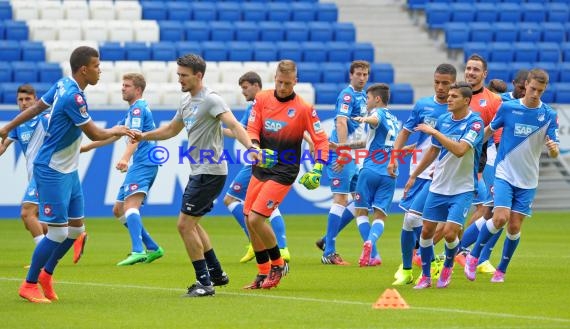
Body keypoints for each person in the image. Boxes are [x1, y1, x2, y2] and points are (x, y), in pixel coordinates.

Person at [0, 46, 132, 303]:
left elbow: (37, 107)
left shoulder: (62, 84)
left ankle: (46, 275)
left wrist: (7, 126)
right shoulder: (73, 97)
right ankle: (28, 284)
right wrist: (119, 130)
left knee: (76, 230)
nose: (100, 70)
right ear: (84, 69)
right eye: (96, 66)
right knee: (58, 233)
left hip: (68, 170)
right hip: (51, 170)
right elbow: (95, 134)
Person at [131, 54, 259, 297]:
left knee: (184, 225)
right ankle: (217, 273)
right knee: (193, 224)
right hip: (199, 172)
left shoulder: (211, 100)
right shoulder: (186, 101)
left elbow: (234, 124)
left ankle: (204, 283)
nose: (179, 79)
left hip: (211, 172)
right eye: (178, 74)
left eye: (184, 75)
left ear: (198, 75)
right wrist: (143, 136)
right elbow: (170, 129)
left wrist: (251, 148)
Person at [464, 69, 559, 283]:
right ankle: (473, 256)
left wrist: (553, 149)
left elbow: (554, 150)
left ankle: (502, 269)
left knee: (514, 226)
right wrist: (472, 145)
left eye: (540, 91)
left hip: (528, 179)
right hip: (504, 173)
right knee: (499, 218)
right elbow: (489, 129)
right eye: (533, 88)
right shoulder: (508, 108)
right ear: (526, 84)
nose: (535, 94)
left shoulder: (549, 115)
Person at [243, 59, 329, 289]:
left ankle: (278, 265)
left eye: (288, 84)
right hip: (261, 166)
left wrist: (319, 167)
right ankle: (262, 273)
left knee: (256, 218)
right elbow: (252, 128)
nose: (283, 87)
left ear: (296, 82)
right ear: (274, 79)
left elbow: (321, 140)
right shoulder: (262, 99)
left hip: (284, 169)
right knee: (248, 220)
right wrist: (255, 148)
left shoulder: (303, 108)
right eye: (280, 82)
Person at [405, 82, 484, 289]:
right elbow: (433, 151)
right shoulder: (443, 120)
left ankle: (448, 265)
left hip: (462, 188)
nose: (448, 99)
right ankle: (425, 277)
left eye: (454, 96)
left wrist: (435, 133)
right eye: (449, 95)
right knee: (426, 233)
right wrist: (414, 175)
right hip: (438, 186)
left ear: (466, 101)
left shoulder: (475, 123)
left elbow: (460, 150)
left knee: (450, 233)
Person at [81, 73, 164, 266]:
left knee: (130, 207)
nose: (122, 88)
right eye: (122, 85)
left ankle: (137, 250)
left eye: (126, 85)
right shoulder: (132, 111)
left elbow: (134, 136)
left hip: (144, 162)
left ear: (137, 90)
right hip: (141, 163)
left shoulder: (138, 110)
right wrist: (86, 147)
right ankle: (153, 247)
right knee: (118, 209)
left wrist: (125, 158)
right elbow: (115, 134)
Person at [0, 85, 88, 264]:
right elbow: (3, 146)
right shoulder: (18, 125)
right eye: (20, 100)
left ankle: (41, 260)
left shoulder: (46, 118)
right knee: (36, 222)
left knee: (27, 213)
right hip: (34, 176)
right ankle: (75, 234)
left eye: (28, 100)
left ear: (35, 100)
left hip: (47, 172)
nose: (24, 103)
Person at [458, 68, 531, 272]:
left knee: (493, 212)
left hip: (510, 166)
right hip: (494, 161)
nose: (524, 92)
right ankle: (471, 254)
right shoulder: (503, 102)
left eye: (528, 89)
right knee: (493, 211)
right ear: (515, 84)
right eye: (521, 87)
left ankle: (472, 254)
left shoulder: (530, 106)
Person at [389, 64, 457, 285]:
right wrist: (393, 157)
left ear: (453, 83)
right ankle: (410, 268)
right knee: (409, 223)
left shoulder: (456, 111)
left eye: (445, 83)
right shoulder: (423, 105)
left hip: (441, 175)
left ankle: (426, 265)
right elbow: (405, 132)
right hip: (418, 171)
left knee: (416, 219)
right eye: (437, 82)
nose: (440, 87)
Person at [222, 71, 291, 264]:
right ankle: (278, 246)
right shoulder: (260, 105)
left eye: (245, 88)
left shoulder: (261, 104)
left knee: (232, 199)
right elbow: (238, 131)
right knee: (262, 201)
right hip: (267, 159)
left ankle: (263, 243)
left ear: (256, 85)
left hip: (263, 160)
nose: (243, 92)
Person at [332, 84, 400, 267]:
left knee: (361, 212)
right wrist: (341, 146)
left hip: (370, 171)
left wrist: (364, 118)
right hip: (390, 173)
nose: (366, 102)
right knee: (380, 216)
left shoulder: (377, 114)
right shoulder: (395, 120)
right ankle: (371, 242)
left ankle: (369, 246)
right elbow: (364, 142)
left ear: (377, 99)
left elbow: (375, 119)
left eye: (368, 98)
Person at [455, 54, 503, 274]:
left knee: (488, 208)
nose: (471, 72)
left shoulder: (493, 101)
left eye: (476, 69)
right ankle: (450, 251)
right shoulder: (455, 95)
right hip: (451, 164)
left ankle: (461, 250)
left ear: (484, 74)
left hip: (477, 166)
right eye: (468, 68)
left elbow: (497, 136)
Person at [319, 60, 370, 265]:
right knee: (340, 199)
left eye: (365, 74)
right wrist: (342, 150)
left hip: (354, 154)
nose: (362, 77)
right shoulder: (347, 95)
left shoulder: (364, 97)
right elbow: (340, 121)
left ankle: (326, 239)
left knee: (362, 199)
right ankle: (329, 252)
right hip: (342, 152)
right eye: (358, 74)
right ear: (351, 75)